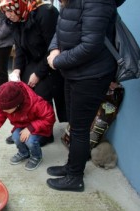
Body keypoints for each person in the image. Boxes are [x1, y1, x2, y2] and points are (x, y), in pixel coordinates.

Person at [46, 0, 118, 192]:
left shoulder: (97, 2)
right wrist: (54, 49)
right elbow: (61, 28)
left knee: (79, 128)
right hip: (74, 71)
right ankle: (72, 166)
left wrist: (58, 60)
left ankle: (75, 177)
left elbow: (91, 46)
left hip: (91, 75)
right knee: (74, 123)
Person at [0, 0, 66, 146]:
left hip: (51, 62)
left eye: (10, 11)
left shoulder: (45, 13)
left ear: (19, 5)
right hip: (32, 60)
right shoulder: (18, 17)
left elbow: (53, 49)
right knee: (22, 90)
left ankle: (46, 133)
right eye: (5, 11)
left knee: (41, 93)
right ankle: (23, 127)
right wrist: (17, 69)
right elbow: (20, 48)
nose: (7, 15)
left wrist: (38, 74)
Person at [0, 81, 55, 171]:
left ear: (17, 104)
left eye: (6, 109)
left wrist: (30, 128)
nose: (3, 111)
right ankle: (24, 152)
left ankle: (36, 157)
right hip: (22, 125)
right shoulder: (4, 107)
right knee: (15, 136)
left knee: (30, 141)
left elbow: (49, 117)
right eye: (2, 108)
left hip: (38, 127)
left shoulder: (36, 103)